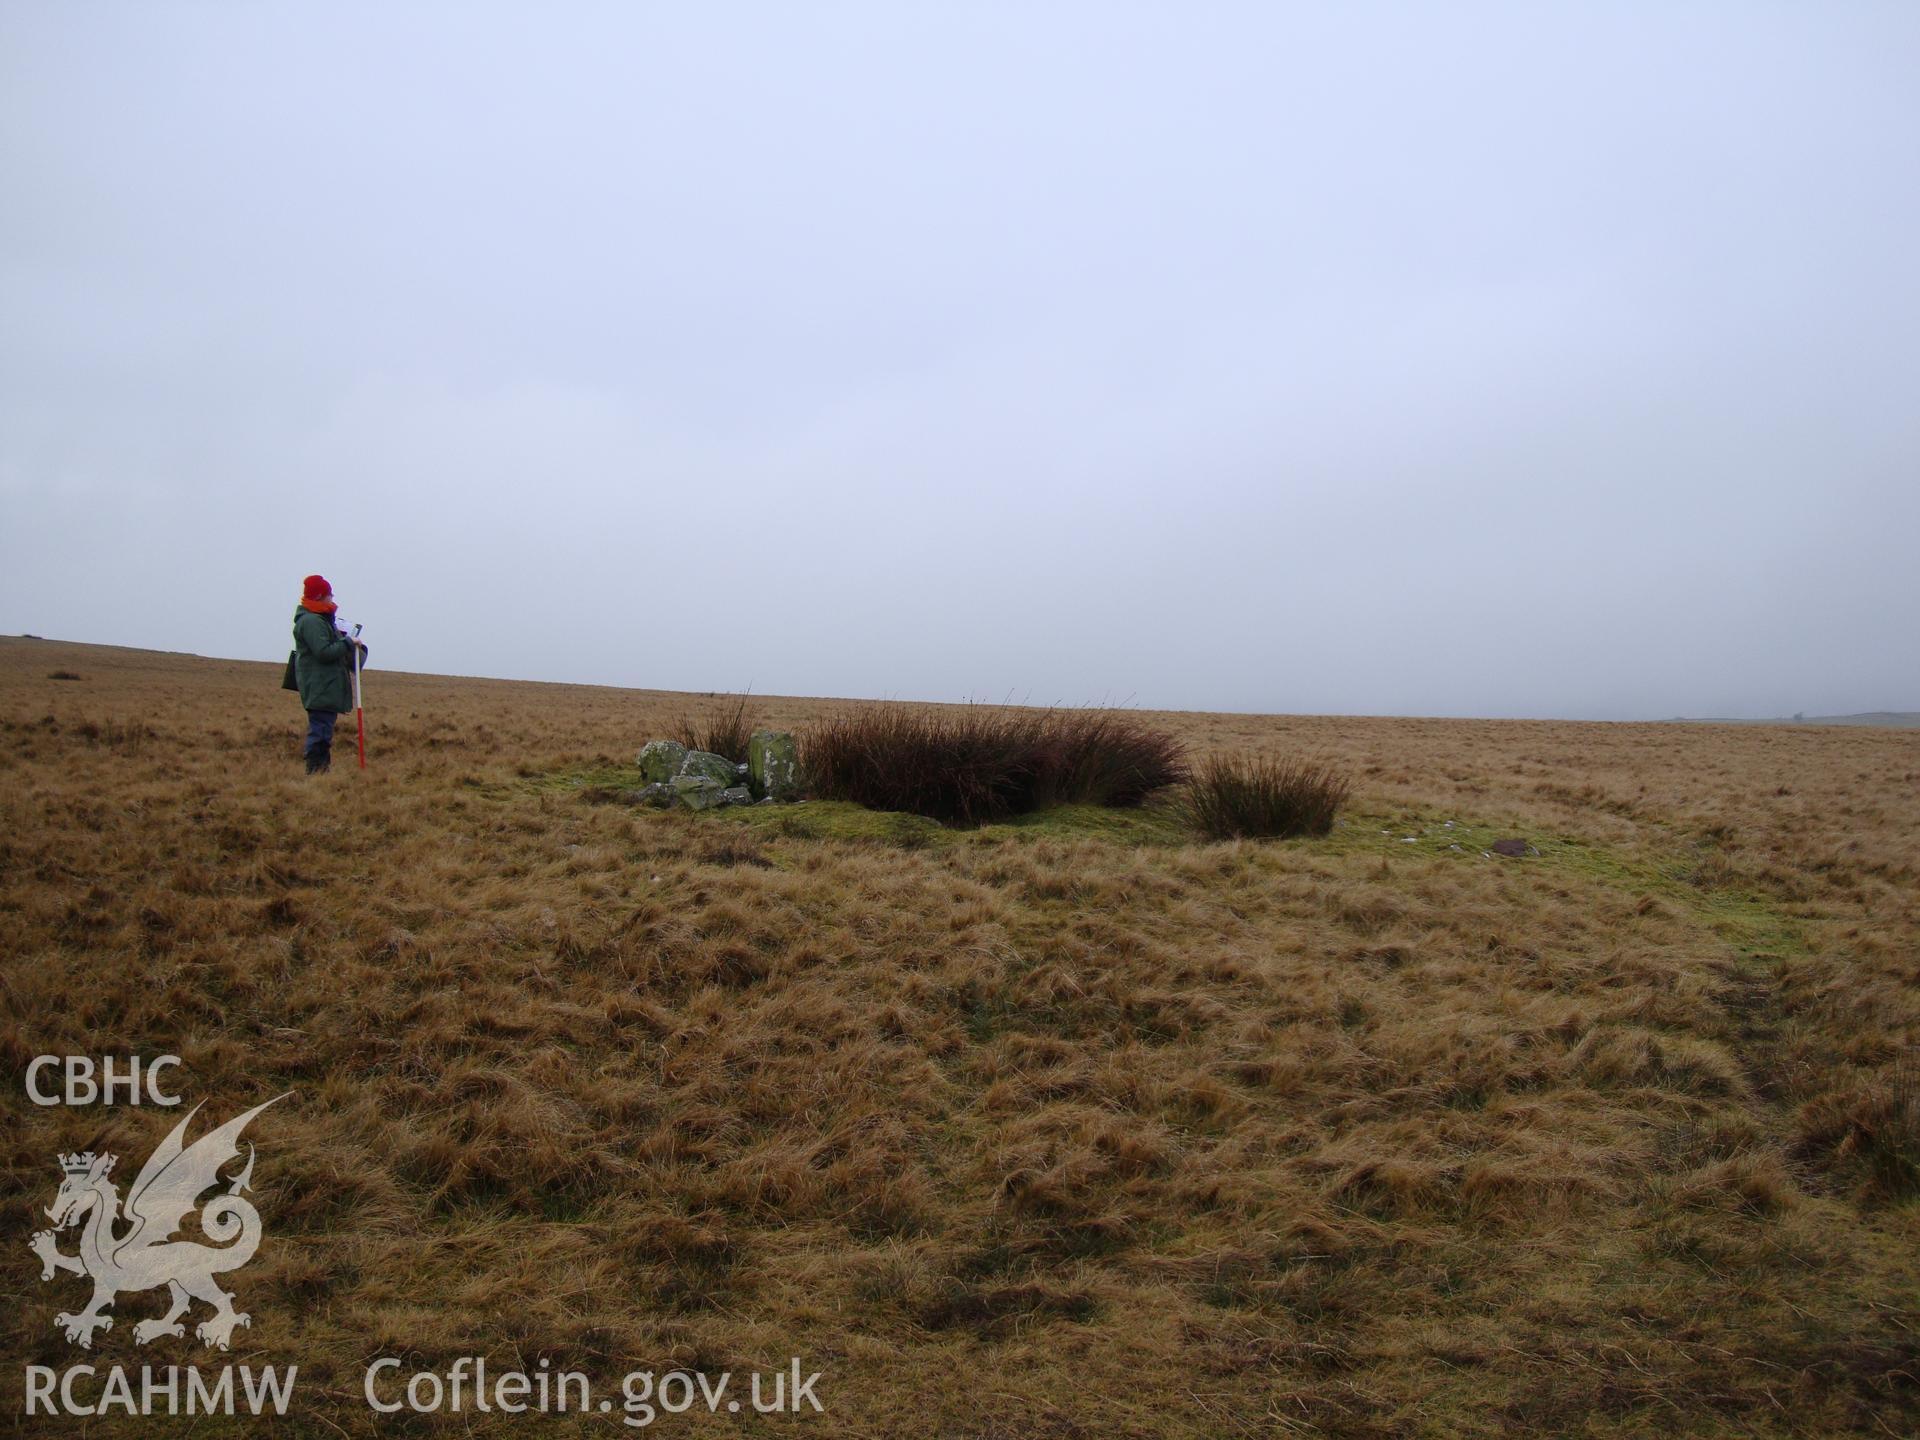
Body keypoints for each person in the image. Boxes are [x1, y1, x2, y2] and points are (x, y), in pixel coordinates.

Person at [291, 574, 366, 774]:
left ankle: (321, 771)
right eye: (329, 595)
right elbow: (323, 652)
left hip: (325, 686)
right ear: (319, 596)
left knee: (324, 731)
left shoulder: (320, 620)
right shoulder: (312, 622)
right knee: (321, 732)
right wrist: (348, 642)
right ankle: (316, 772)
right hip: (320, 687)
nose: (332, 599)